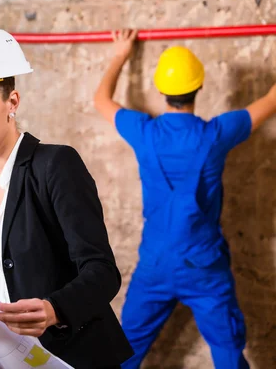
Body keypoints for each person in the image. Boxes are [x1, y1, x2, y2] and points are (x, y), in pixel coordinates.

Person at [0, 27, 134, 369]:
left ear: (12, 102)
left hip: (72, 357)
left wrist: (56, 309)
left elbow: (102, 272)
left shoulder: (55, 165)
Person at [93, 29, 276, 368]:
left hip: (156, 264)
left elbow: (102, 100)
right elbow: (272, 99)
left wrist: (121, 54)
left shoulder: (144, 133)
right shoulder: (216, 134)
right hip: (204, 265)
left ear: (161, 90)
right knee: (227, 351)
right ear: (200, 86)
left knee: (122, 353)